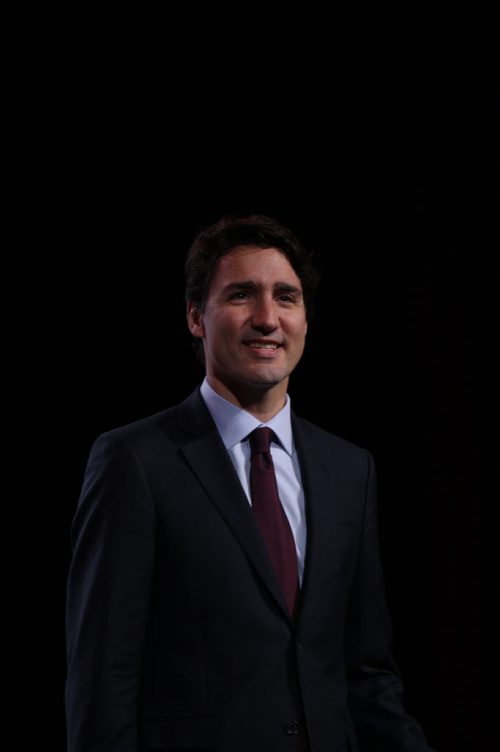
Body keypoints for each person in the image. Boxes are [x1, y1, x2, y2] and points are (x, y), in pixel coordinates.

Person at [65, 214, 434, 751]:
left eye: (286, 297)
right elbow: (104, 679)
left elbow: (367, 673)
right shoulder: (134, 461)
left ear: (305, 319)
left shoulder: (350, 470)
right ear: (196, 316)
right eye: (242, 295)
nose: (267, 318)